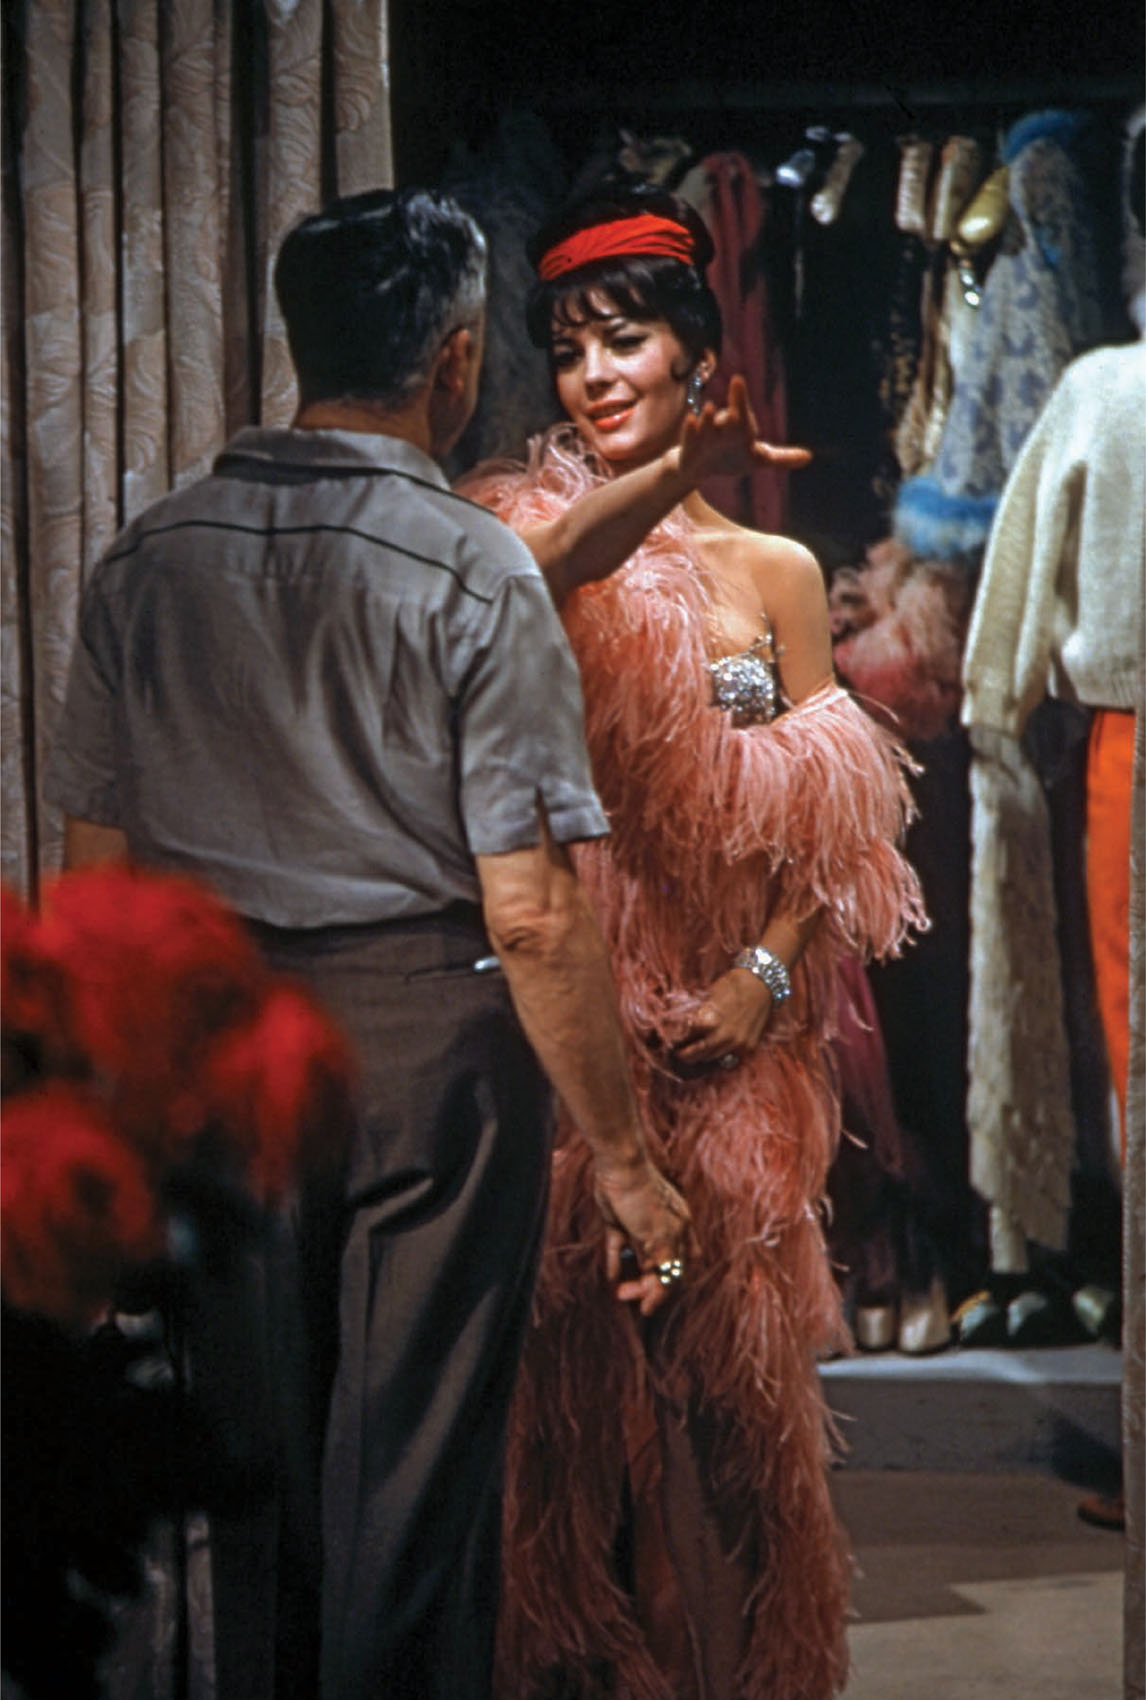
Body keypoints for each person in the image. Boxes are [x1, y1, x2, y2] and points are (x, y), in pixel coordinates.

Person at [43, 187, 692, 1700]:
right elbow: (529, 908)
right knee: (407, 1493)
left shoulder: (146, 560)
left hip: (214, 1053)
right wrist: (626, 1164)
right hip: (427, 1052)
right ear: (456, 361)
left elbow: (92, 891)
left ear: (298, 341)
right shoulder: (472, 570)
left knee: (252, 1478)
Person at [464, 179, 926, 1700]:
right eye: (573, 352)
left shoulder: (781, 576)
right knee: (573, 1414)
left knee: (741, 1417)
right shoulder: (517, 526)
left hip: (737, 1041)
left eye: (627, 344)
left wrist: (769, 973)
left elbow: (835, 832)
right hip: (566, 1029)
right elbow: (545, 585)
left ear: (698, 363)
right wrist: (663, 483)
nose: (596, 377)